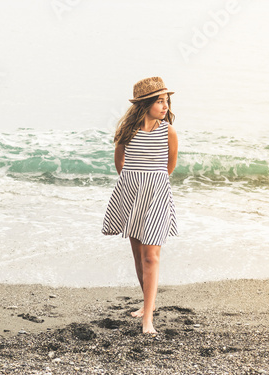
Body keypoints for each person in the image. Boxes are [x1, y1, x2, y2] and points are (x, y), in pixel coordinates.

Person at [101, 76, 178, 334]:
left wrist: (153, 182)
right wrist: (134, 183)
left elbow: (170, 166)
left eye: (166, 101)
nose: (164, 106)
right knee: (138, 255)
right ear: (145, 104)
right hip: (131, 193)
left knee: (150, 255)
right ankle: (148, 306)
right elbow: (120, 162)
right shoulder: (127, 132)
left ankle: (148, 320)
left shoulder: (168, 131)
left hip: (157, 194)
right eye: (159, 101)